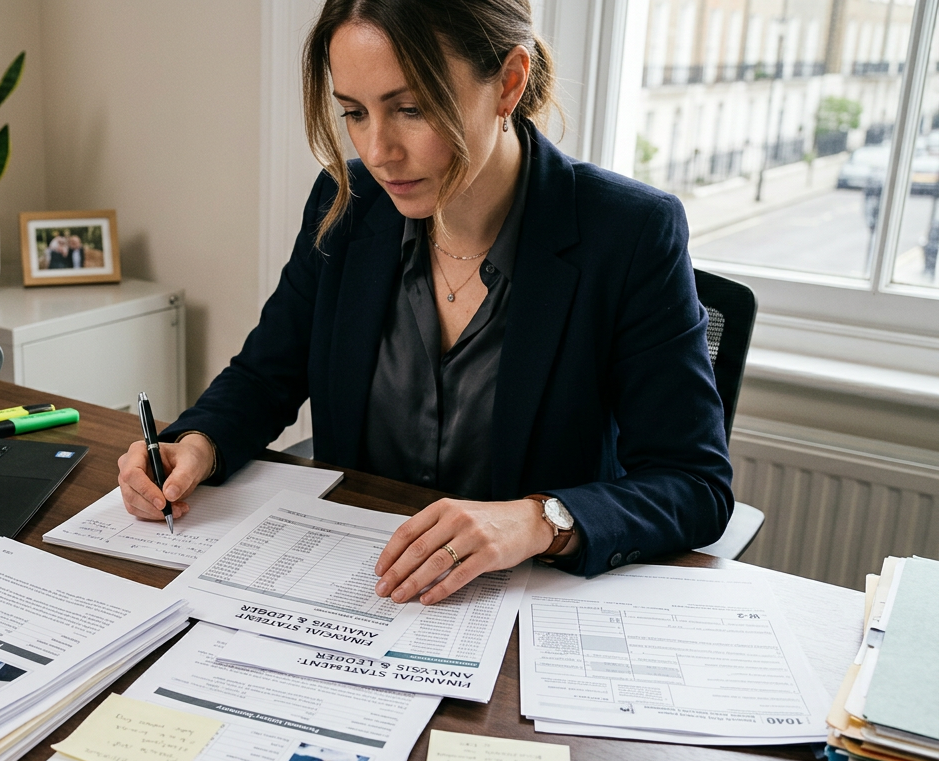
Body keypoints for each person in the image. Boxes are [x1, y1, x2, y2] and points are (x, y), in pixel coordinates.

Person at [116, 0, 732, 606]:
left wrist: (541, 520)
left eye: (410, 108)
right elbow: (265, 375)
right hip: (352, 589)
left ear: (509, 83)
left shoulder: (628, 233)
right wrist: (198, 442)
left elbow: (694, 484)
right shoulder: (349, 204)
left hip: (522, 608)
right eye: (354, 113)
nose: (379, 150)